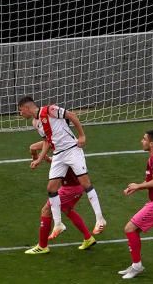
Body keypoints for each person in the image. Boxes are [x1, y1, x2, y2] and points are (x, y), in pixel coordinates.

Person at [18, 96, 107, 237]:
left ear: (26, 108)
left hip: (72, 149)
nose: (20, 113)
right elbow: (47, 141)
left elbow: (72, 115)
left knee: (85, 183)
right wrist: (39, 159)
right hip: (59, 154)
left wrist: (82, 136)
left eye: (20, 110)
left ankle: (100, 219)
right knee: (51, 188)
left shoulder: (50, 110)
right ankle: (58, 224)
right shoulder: (35, 123)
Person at [117, 130, 153, 279]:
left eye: (144, 139)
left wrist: (137, 186)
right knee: (133, 231)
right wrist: (135, 187)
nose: (141, 141)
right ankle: (136, 264)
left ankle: (137, 266)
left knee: (129, 228)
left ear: (151, 143)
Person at [24, 141, 96, 255]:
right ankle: (88, 238)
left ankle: (42, 246)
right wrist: (44, 157)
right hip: (73, 187)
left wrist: (35, 154)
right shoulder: (69, 148)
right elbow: (56, 162)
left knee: (46, 210)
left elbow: (36, 146)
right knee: (67, 210)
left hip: (70, 189)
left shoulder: (63, 147)